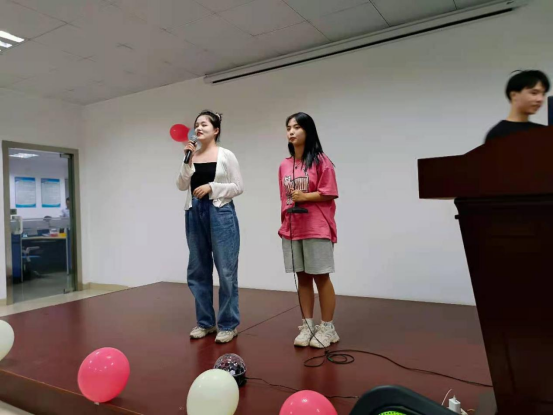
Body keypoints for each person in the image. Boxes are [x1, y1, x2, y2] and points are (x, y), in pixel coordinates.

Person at [176, 110, 243, 344]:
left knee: (226, 270)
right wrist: (186, 161)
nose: (199, 128)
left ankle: (228, 325)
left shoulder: (226, 155)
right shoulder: (190, 155)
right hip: (194, 212)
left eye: (204, 124)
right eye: (197, 124)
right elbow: (181, 184)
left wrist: (212, 187)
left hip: (220, 212)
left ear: (216, 130)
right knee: (198, 270)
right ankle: (205, 322)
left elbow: (238, 186)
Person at [278, 112, 339, 348]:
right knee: (302, 278)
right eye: (288, 128)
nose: (291, 132)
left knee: (321, 277)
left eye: (297, 127)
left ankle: (328, 328)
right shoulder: (284, 165)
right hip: (292, 228)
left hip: (316, 226)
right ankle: (307, 326)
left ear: (308, 130)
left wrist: (305, 197)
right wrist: (284, 223)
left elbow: (330, 192)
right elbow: (283, 198)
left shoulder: (321, 161)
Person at [485, 70, 550, 143]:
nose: (540, 99)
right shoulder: (498, 134)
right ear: (514, 95)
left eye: (543, 94)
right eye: (534, 93)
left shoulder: (543, 132)